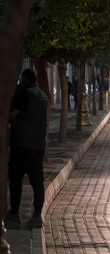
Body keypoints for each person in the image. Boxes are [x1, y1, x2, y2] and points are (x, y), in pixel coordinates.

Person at [7, 69, 48, 228]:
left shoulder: (25, 95)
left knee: (16, 179)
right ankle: (37, 215)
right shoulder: (42, 96)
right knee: (37, 181)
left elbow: (11, 115)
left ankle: (14, 213)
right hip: (38, 146)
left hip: (22, 143)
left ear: (24, 80)